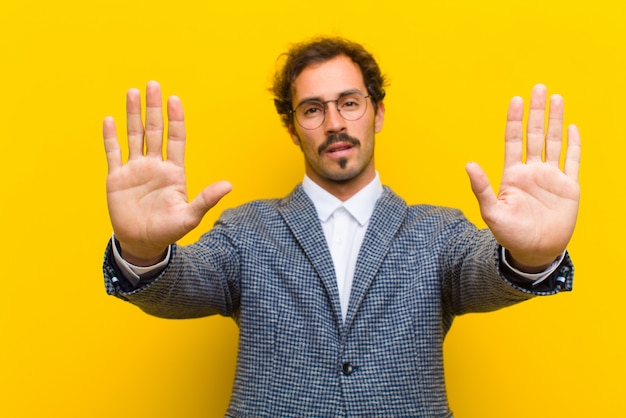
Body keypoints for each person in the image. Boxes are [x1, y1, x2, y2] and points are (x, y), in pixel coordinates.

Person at [101, 37, 581, 417]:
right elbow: (186, 285)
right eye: (312, 109)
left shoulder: (438, 234)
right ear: (293, 128)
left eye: (349, 102)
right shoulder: (247, 231)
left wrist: (532, 256)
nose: (334, 122)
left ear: (378, 112)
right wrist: (141, 250)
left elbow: (483, 273)